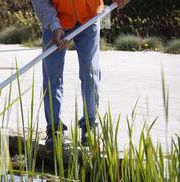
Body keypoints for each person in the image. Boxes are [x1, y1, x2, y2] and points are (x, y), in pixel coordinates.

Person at [31, 0, 130, 147]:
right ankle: (54, 128)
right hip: (56, 20)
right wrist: (54, 25)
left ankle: (89, 126)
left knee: (90, 71)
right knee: (52, 74)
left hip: (89, 18)